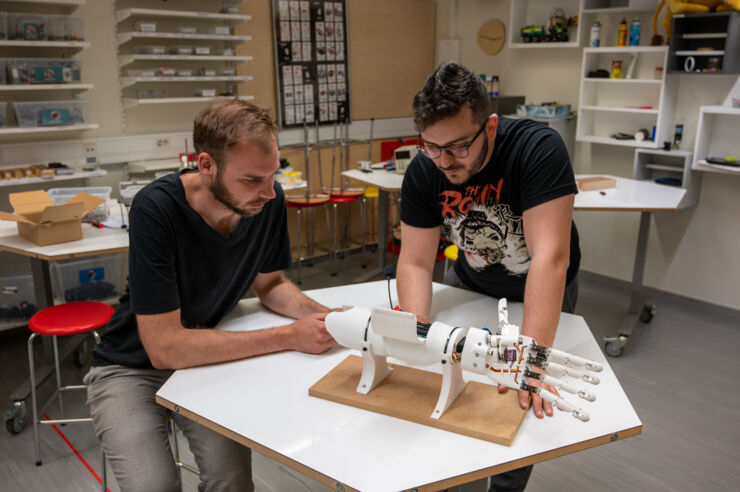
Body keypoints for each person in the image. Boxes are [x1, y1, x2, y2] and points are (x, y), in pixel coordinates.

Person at [85, 98, 336, 492]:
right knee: (155, 486)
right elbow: (165, 349)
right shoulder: (156, 209)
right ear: (206, 165)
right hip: (130, 366)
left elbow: (270, 285)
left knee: (232, 481)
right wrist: (288, 336)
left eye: (273, 175)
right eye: (251, 180)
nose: (268, 192)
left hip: (205, 358)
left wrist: (330, 316)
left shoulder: (265, 202)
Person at [397, 62, 580, 492]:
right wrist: (415, 333)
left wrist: (531, 360)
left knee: (520, 402)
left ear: (491, 127)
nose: (444, 161)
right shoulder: (426, 169)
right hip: (472, 285)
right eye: (432, 147)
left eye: (459, 147)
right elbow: (416, 263)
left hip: (539, 289)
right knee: (457, 385)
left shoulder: (538, 148)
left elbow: (549, 259)